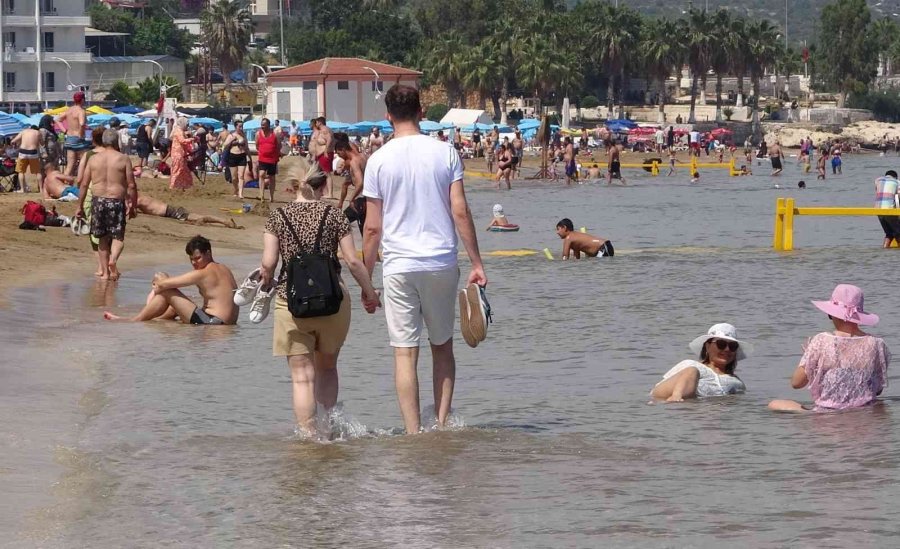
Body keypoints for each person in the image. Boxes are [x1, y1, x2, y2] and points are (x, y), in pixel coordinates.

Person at [362, 84, 487, 434]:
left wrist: (366, 280)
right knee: (442, 347)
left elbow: (372, 229)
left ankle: (414, 433)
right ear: (421, 112)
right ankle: (442, 426)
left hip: (399, 264)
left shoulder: (378, 160)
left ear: (388, 117)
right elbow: (460, 211)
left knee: (404, 354)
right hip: (440, 262)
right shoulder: (445, 153)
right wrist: (477, 262)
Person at [259, 163, 380, 438]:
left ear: (292, 187)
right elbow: (351, 260)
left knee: (301, 377)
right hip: (332, 300)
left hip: (291, 303)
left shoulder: (277, 217)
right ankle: (329, 433)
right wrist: (370, 294)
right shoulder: (335, 215)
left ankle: (309, 437)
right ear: (323, 186)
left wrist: (264, 280)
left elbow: (268, 263)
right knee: (327, 368)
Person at [768, 285, 889, 412]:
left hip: (828, 412)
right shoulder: (877, 344)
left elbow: (796, 383)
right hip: (864, 410)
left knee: (774, 403)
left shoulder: (821, 341)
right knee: (878, 404)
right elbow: (878, 389)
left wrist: (810, 360)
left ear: (831, 314)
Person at [104, 236, 239, 325]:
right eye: (191, 259)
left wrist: (158, 284)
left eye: (197, 258)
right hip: (225, 325)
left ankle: (134, 320)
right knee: (173, 308)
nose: (194, 263)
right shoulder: (224, 268)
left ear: (208, 253)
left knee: (166, 289)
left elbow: (162, 283)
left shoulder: (203, 273)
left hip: (213, 324)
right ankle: (153, 319)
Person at [74, 130, 137, 281]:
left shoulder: (93, 159)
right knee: (118, 237)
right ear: (116, 142)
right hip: (116, 200)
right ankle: (113, 259)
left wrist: (79, 205)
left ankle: (105, 274)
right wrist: (133, 205)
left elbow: (83, 184)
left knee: (101, 237)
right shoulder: (123, 159)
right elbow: (131, 185)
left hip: (98, 200)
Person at [651, 323, 753, 402]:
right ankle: (677, 399)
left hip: (702, 413)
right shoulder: (690, 364)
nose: (727, 350)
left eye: (732, 346)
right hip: (670, 399)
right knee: (692, 371)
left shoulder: (737, 383)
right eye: (721, 344)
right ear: (708, 346)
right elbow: (657, 390)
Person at [135, 194, 242, 228]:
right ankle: (224, 221)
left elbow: (130, 208)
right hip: (171, 210)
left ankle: (225, 221)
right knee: (197, 217)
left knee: (199, 218)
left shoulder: (138, 199)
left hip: (171, 212)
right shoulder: (140, 197)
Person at [58, 91, 89, 177]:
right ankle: (81, 183)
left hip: (70, 138)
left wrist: (64, 130)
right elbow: (82, 123)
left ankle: (64, 183)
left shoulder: (69, 110)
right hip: (78, 139)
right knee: (84, 164)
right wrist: (81, 134)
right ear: (82, 100)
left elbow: (57, 119)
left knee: (70, 166)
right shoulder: (81, 111)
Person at [334, 133, 366, 211]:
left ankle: (340, 204)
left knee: (345, 219)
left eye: (338, 153)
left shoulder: (353, 161)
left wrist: (351, 199)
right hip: (366, 193)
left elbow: (360, 182)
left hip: (361, 196)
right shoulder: (362, 155)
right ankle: (340, 204)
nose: (338, 156)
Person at [255, 118, 281, 202]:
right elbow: (257, 145)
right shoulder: (258, 134)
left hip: (272, 159)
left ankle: (271, 196)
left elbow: (279, 145)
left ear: (268, 125)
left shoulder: (275, 134)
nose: (262, 126)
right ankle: (261, 195)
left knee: (272, 177)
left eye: (264, 125)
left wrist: (276, 154)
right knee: (261, 174)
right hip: (262, 158)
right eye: (261, 125)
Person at [222, 120, 249, 197]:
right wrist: (232, 140)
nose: (241, 128)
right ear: (235, 127)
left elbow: (247, 148)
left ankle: (240, 193)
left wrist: (249, 158)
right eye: (239, 126)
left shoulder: (244, 136)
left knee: (241, 175)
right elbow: (225, 145)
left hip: (242, 156)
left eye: (242, 126)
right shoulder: (231, 135)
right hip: (233, 156)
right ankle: (235, 189)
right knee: (234, 177)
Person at [11, 125, 42, 193]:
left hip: (23, 152)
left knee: (21, 171)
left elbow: (13, 141)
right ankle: (41, 190)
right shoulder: (38, 132)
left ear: (30, 128)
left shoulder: (23, 131)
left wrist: (15, 145)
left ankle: (22, 189)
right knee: (38, 172)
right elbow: (42, 143)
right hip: (33, 152)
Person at [874, 170, 900, 248]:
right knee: (898, 232)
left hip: (878, 210)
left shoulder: (877, 180)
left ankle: (885, 249)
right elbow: (898, 196)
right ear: (895, 177)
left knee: (889, 233)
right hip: (889, 210)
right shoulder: (897, 182)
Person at [169, 117, 194, 191]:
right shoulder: (178, 131)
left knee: (185, 171)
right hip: (178, 154)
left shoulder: (180, 131)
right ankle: (173, 186)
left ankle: (184, 186)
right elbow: (182, 141)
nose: (187, 126)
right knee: (177, 170)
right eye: (187, 124)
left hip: (181, 154)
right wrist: (192, 139)